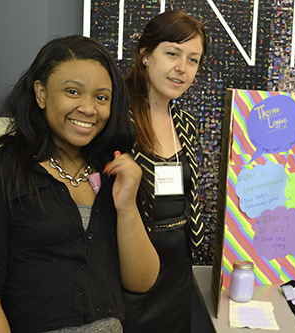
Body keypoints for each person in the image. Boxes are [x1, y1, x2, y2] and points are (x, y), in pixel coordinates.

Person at [0, 35, 159, 333]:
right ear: (41, 93)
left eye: (101, 97)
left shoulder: (114, 170)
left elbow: (141, 281)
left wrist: (126, 205)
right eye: (73, 92)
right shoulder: (0, 170)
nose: (89, 109)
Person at [123, 10, 207, 333]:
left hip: (179, 267)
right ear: (146, 55)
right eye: (172, 53)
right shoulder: (117, 122)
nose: (182, 68)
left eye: (193, 60)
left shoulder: (186, 124)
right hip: (132, 267)